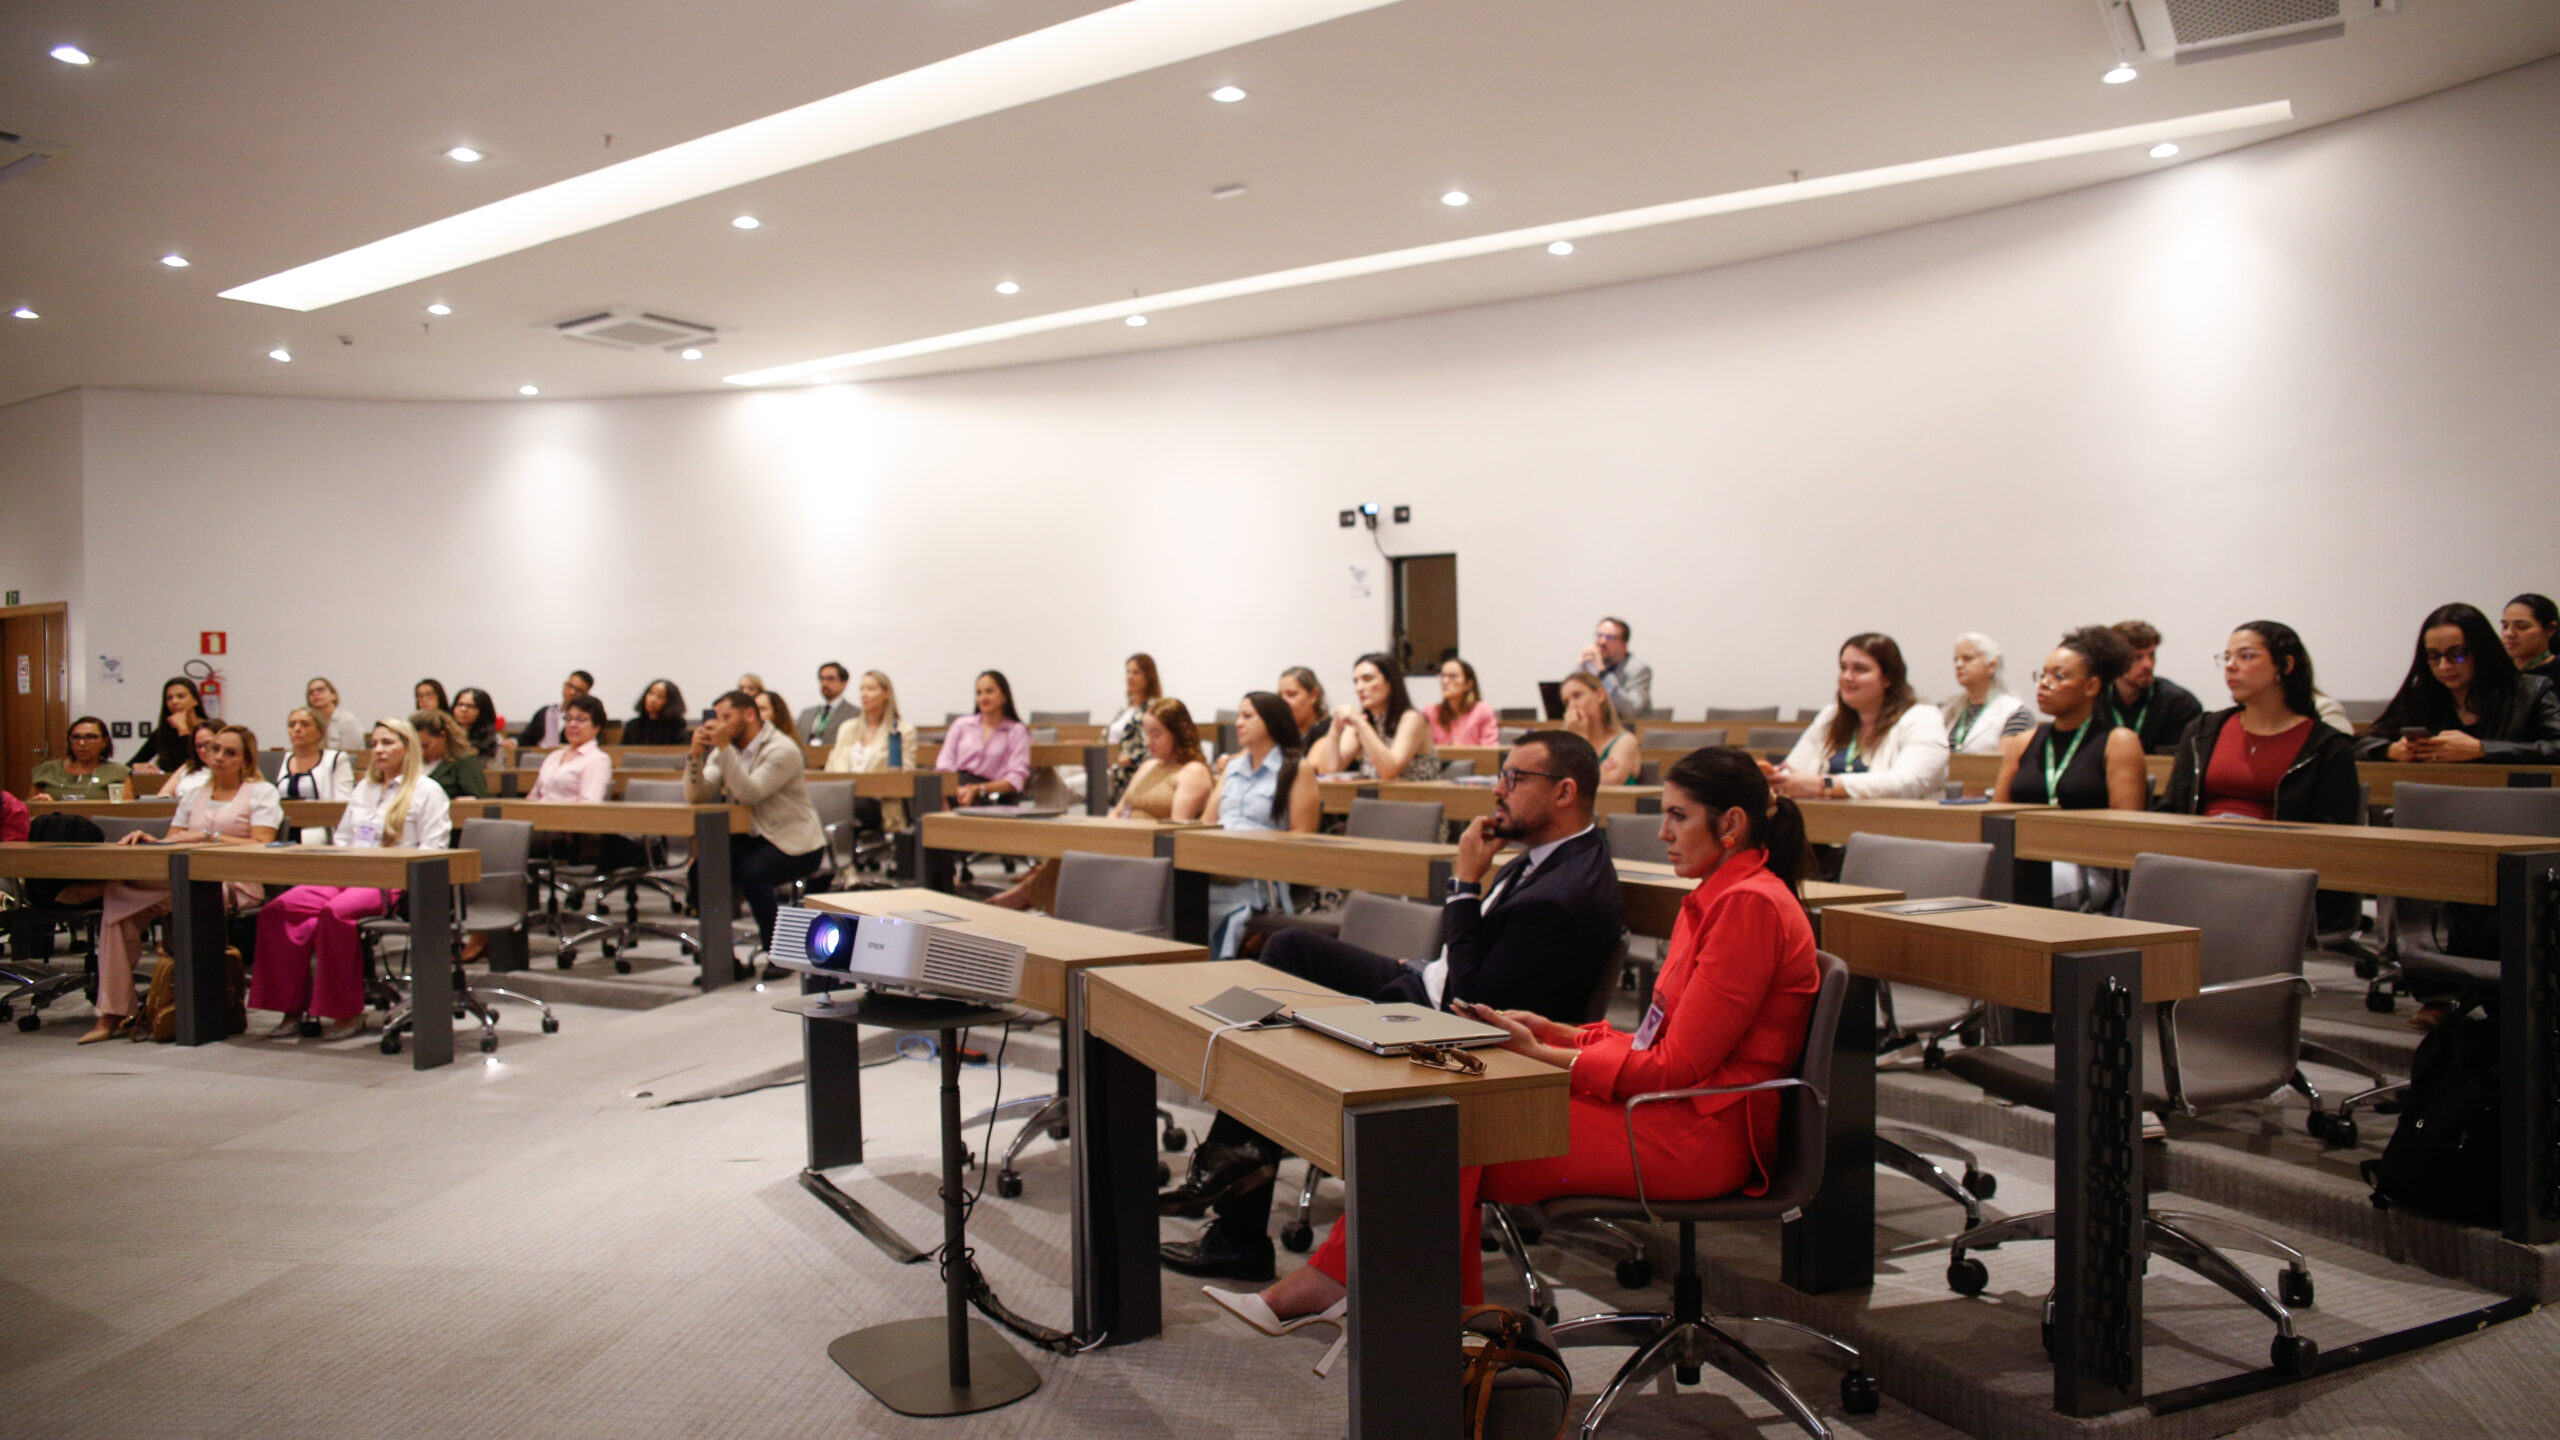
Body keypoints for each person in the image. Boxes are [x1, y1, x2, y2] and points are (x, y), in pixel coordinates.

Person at [1172, 730, 1637, 1291]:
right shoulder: (1544, 859)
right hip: (1428, 984)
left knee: (1297, 1027)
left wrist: (1465, 883)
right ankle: (1240, 1164)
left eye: (1515, 779)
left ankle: (1238, 1202)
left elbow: (1475, 999)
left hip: (1456, 1029)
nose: (1499, 789)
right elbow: (1468, 961)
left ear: (1564, 792)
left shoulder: (1565, 891)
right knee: (1287, 950)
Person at [248, 719, 452, 1041]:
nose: (379, 750)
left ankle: (345, 1012)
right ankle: (290, 1008)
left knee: (335, 913)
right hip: (348, 873)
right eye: (375, 744)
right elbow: (343, 838)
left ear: (407, 747)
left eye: (388, 743)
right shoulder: (364, 788)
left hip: (393, 881)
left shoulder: (428, 791)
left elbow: (433, 850)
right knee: (279, 910)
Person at [85, 724, 279, 1044]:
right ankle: (114, 1011)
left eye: (230, 753)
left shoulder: (261, 792)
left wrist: (207, 837)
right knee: (119, 914)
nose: (218, 757)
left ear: (246, 759)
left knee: (116, 898)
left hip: (234, 882)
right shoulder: (195, 792)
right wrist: (151, 839)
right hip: (182, 878)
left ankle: (112, 1010)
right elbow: (174, 839)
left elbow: (262, 843)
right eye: (215, 749)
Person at [993, 698, 1214, 913]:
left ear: (1179, 732)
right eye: (1148, 734)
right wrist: (1098, 836)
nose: (1148, 742)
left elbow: (1175, 831)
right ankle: (1030, 897)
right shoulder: (1150, 766)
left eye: (1157, 734)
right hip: (1123, 838)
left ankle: (1023, 896)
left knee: (1074, 854)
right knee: (1073, 846)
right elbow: (1119, 811)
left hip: (1148, 849)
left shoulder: (1193, 771)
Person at [2166, 622, 2361, 822]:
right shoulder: (2201, 731)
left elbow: (2333, 829)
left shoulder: (2327, 746)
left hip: (2281, 849)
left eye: (2246, 656)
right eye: (2227, 657)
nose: (2230, 666)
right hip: (2196, 846)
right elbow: (2172, 809)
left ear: (2285, 665)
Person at [686, 689, 826, 953]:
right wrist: (694, 756)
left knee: (753, 873)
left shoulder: (782, 749)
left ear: (749, 714)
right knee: (701, 868)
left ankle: (777, 951)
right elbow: (697, 795)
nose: (719, 724)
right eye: (717, 718)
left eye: (726, 717)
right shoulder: (727, 750)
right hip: (754, 838)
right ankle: (718, 953)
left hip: (796, 843)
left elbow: (750, 792)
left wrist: (724, 748)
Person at [2355, 602, 2560, 765]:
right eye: (2434, 656)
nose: (2445, 666)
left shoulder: (2531, 692)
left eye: (2458, 654)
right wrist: (2390, 750)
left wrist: (2482, 749)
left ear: (2482, 651)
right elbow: (2355, 744)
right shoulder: (2423, 695)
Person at [1202, 692, 1321, 956]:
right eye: (1237, 716)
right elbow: (1206, 823)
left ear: (1271, 721)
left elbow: (1303, 835)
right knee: (1176, 897)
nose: (1238, 723)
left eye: (1247, 716)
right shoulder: (1232, 769)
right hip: (1217, 867)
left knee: (1198, 907)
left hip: (1259, 876)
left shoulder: (1296, 768)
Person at [1772, 633, 1948, 799]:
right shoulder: (1830, 716)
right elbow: (1792, 771)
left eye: (1860, 669)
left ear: (1888, 679)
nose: (1847, 677)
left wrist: (1824, 784)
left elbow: (1908, 782)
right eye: (1843, 668)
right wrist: (1773, 777)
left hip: (1892, 824)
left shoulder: (1921, 718)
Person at [1995, 628, 2148, 811]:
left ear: (2091, 686)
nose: (2044, 683)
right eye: (2043, 675)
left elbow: (2127, 825)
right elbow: (1996, 815)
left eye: (2059, 676)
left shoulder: (2118, 743)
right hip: (2025, 838)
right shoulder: (2022, 743)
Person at [1312, 652, 1438, 780]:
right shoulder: (1360, 722)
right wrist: (1335, 729)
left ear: (1390, 682)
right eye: (1356, 681)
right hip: (1374, 797)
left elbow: (1389, 771)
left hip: (1417, 796)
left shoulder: (1412, 719)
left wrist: (1361, 725)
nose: (1359, 688)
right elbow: (1328, 770)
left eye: (1367, 679)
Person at [824, 670, 921, 828]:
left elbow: (903, 774)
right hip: (842, 799)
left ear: (886, 693)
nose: (864, 694)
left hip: (879, 802)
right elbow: (831, 766)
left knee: (852, 807)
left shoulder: (902, 730)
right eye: (861, 689)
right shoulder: (847, 728)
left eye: (870, 689)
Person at [2101, 621, 2204, 756]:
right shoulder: (2093, 701)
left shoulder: (2179, 703)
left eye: (2151, 655)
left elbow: (2185, 766)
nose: (2148, 664)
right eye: (2137, 657)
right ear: (2114, 660)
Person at [936, 670, 1032, 806]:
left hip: (993, 794)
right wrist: (957, 790)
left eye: (989, 691)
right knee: (931, 793)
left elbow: (1016, 778)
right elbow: (944, 765)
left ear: (1004, 696)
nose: (983, 698)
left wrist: (978, 789)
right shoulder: (961, 725)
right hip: (956, 789)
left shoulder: (1016, 731)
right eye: (979, 693)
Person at [1945, 633, 2033, 756]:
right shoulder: (1948, 709)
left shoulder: (2016, 713)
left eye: (1967, 658)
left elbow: (2003, 766)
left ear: (1991, 666)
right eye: (1956, 659)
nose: (1958, 665)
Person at [526, 694, 613, 802]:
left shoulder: (597, 760)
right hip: (538, 815)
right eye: (569, 718)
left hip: (567, 817)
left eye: (580, 720)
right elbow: (533, 797)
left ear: (596, 728)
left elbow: (589, 805)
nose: (572, 724)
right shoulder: (554, 756)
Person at [1103, 654, 1165, 803]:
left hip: (1125, 773)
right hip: (1106, 765)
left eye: (1136, 672)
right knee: (1065, 771)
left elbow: (1155, 749)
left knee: (1069, 785)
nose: (1129, 677)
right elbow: (1106, 739)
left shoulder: (1153, 709)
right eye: (1128, 672)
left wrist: (1128, 759)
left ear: (1149, 676)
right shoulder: (1123, 711)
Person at [34, 716, 131, 800]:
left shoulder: (118, 772)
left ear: (104, 742)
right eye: (76, 737)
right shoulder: (48, 769)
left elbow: (124, 812)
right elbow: (31, 807)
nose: (81, 743)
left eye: (90, 737)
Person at [1575, 616, 1653, 720]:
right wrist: (1580, 671)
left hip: (1629, 731)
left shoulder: (1639, 669)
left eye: (1610, 637)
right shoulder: (1588, 665)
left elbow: (1630, 711)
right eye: (1599, 635)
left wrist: (1603, 674)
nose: (1602, 642)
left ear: (1624, 646)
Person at [275, 706, 355, 802]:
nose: (296, 729)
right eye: (292, 725)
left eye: (305, 725)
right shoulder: (280, 760)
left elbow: (343, 802)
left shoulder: (336, 759)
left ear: (320, 732)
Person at [132, 677, 208, 774]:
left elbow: (195, 765)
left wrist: (183, 730)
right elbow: (129, 765)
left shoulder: (210, 728)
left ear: (195, 700)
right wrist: (136, 766)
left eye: (181, 696)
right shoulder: (163, 732)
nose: (174, 701)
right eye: (169, 698)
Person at [412, 708, 489, 799]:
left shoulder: (465, 761)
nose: (420, 751)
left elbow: (478, 801)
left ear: (443, 735)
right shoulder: (409, 761)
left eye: (425, 746)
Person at [1428, 657, 1500, 747]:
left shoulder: (1482, 710)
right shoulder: (1431, 712)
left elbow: (1490, 750)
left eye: (1452, 676)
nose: (1445, 681)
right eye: (1442, 676)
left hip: (1475, 760)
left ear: (1468, 684)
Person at [515, 670, 596, 750]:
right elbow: (527, 737)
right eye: (570, 686)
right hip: (537, 757)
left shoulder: (584, 722)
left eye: (578, 690)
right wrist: (514, 742)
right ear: (564, 685)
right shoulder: (545, 712)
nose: (572, 692)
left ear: (586, 694)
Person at [152, 722, 221, 798]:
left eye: (208, 744)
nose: (203, 750)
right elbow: (163, 796)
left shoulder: (228, 770)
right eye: (199, 746)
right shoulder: (188, 767)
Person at [2500, 593, 2558, 681]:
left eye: (2522, 627)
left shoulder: (2555, 673)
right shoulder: (2496, 669)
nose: (2509, 633)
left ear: (2550, 629)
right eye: (2505, 626)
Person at [797, 664, 856, 747]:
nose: (824, 683)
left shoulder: (855, 714)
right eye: (822, 679)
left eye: (830, 679)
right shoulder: (806, 714)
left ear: (843, 683)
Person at [305, 677, 366, 752]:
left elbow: (351, 755)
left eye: (320, 690)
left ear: (333, 695)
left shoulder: (347, 721)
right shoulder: (309, 724)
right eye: (310, 692)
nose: (315, 694)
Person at [622, 678, 690, 745]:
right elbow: (621, 753)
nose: (652, 700)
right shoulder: (633, 726)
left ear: (669, 703)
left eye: (660, 697)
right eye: (651, 694)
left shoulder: (676, 727)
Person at [1278, 666, 1330, 752]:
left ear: (1313, 696)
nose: (1283, 702)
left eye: (1291, 694)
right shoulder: (1279, 735)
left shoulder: (1328, 730)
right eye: (1280, 696)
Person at [451, 687, 504, 761]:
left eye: (470, 706)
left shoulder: (494, 739)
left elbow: (495, 769)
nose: (463, 709)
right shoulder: (446, 736)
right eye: (459, 704)